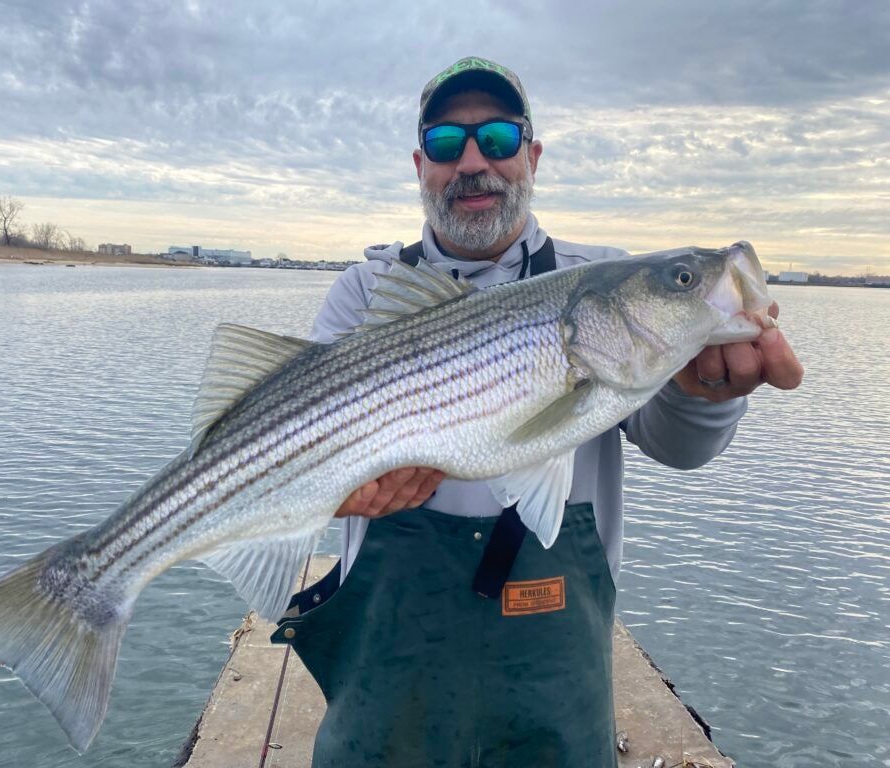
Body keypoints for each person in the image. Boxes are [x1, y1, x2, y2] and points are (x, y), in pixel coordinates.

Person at [273, 56, 803, 767]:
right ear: (419, 165)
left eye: (497, 138)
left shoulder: (598, 277)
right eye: (444, 144)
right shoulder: (365, 292)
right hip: (388, 670)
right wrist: (338, 496)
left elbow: (681, 447)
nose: (471, 163)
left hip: (555, 683)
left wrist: (705, 394)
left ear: (533, 155)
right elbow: (297, 454)